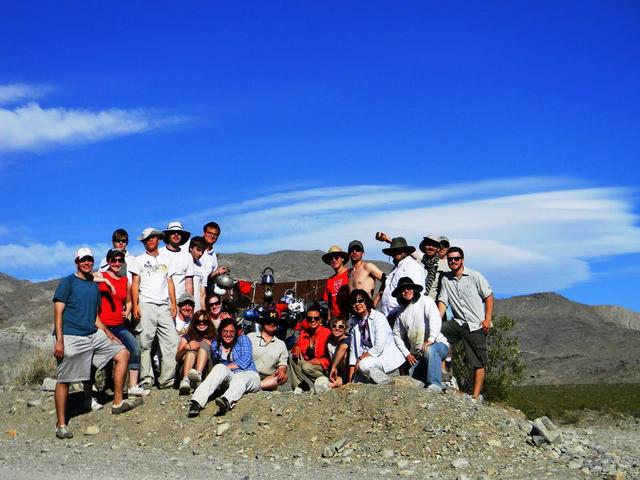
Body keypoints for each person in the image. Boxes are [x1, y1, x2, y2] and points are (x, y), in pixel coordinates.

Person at [53, 248, 142, 439]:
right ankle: (61, 424)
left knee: (123, 353)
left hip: (92, 333)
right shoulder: (67, 282)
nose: (86, 263)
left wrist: (109, 334)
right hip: (71, 335)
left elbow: (95, 317)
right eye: (82, 260)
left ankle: (118, 403)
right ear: (77, 261)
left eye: (89, 260)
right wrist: (59, 340)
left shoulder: (93, 285)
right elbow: (58, 312)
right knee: (64, 379)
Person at [437, 247, 494, 399]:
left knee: (478, 362)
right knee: (437, 334)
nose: (453, 261)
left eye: (456, 258)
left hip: (476, 325)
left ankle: (475, 397)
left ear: (462, 259)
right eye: (450, 259)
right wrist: (435, 321)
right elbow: (443, 301)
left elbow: (488, 296)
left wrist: (487, 319)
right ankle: (444, 376)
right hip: (457, 323)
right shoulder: (445, 279)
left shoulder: (475, 276)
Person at [93, 248, 149, 397]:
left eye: (120, 261)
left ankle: (132, 386)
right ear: (108, 261)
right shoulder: (101, 275)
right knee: (100, 356)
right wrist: (105, 280)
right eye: (114, 260)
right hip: (102, 326)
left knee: (135, 348)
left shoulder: (125, 281)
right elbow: (86, 277)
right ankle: (94, 388)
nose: (117, 263)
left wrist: (128, 309)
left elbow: (129, 301)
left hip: (119, 324)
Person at [130, 227, 178, 389]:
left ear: (158, 239)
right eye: (147, 239)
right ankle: (146, 378)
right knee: (145, 343)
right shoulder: (139, 260)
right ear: (143, 242)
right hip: (146, 303)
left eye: (153, 238)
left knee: (171, 341)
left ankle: (166, 379)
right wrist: (135, 304)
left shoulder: (166, 259)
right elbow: (135, 283)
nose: (150, 240)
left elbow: (169, 282)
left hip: (164, 305)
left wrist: (174, 303)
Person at [187, 318, 260, 417]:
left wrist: (227, 367)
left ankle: (226, 400)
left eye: (231, 332)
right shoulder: (216, 344)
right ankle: (197, 402)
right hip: (231, 378)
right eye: (225, 331)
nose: (228, 334)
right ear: (220, 332)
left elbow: (245, 360)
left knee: (240, 377)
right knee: (219, 367)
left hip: (248, 374)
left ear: (236, 332)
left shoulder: (243, 339)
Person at [391, 277, 449, 391]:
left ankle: (435, 385)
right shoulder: (401, 313)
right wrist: (407, 353)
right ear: (399, 294)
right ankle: (441, 385)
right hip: (420, 355)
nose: (406, 291)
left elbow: (435, 319)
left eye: (409, 288)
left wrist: (431, 339)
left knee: (431, 350)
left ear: (414, 289)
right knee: (413, 374)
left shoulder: (426, 301)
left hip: (439, 345)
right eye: (403, 290)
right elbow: (396, 334)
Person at [348, 289, 405, 384]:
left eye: (360, 300)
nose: (357, 304)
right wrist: (350, 381)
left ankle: (382, 380)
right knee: (356, 381)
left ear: (367, 301)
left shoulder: (379, 317)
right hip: (369, 360)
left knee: (363, 365)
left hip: (385, 360)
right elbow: (353, 351)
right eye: (354, 302)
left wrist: (360, 359)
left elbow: (379, 347)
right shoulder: (355, 322)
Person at [289, 303, 332, 392]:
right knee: (291, 357)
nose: (313, 320)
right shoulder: (304, 333)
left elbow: (332, 357)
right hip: (309, 363)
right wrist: (296, 346)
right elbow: (297, 347)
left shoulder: (327, 333)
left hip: (323, 367)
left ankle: (326, 383)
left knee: (306, 367)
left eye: (316, 318)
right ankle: (300, 387)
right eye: (309, 318)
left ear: (320, 320)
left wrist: (320, 361)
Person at [378, 237, 425, 317]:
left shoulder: (412, 266)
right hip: (390, 315)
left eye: (400, 249)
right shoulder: (394, 269)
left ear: (406, 251)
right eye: (393, 250)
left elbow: (418, 293)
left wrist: (405, 315)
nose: (396, 252)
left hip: (403, 315)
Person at [176, 310, 216, 395]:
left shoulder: (214, 337)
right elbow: (177, 358)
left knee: (204, 346)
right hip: (187, 369)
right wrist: (186, 347)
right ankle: (185, 380)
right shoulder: (187, 336)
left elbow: (218, 357)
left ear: (208, 323)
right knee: (191, 351)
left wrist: (211, 346)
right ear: (194, 322)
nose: (201, 324)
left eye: (204, 321)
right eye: (198, 321)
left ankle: (198, 376)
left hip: (206, 370)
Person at [247, 309, 289, 391]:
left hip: (268, 377)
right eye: (268, 321)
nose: (272, 324)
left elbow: (282, 363)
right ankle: (255, 386)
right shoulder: (250, 337)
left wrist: (281, 370)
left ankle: (256, 387)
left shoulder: (281, 344)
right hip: (250, 374)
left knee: (284, 377)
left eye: (275, 322)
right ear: (263, 323)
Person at [160, 222, 194, 298]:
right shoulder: (159, 253)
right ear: (168, 235)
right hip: (162, 301)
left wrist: (190, 301)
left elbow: (189, 283)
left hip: (180, 301)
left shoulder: (187, 256)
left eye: (179, 233)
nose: (176, 234)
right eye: (173, 232)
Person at [321, 245, 350, 319]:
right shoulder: (330, 280)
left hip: (350, 317)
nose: (334, 260)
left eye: (336, 257)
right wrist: (329, 317)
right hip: (335, 320)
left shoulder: (350, 274)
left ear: (342, 259)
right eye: (331, 258)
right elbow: (329, 302)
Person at [200, 221, 229, 288]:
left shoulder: (213, 257)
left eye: (215, 234)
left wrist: (217, 272)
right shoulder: (194, 247)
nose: (212, 236)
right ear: (204, 233)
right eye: (209, 233)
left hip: (203, 289)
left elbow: (209, 280)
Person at [327, 317, 351, 389]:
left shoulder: (349, 339)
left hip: (351, 373)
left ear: (345, 328)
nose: (337, 329)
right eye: (334, 326)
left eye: (341, 326)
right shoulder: (330, 344)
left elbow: (343, 347)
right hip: (341, 374)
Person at [188, 235, 208, 310]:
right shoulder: (181, 264)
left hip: (196, 309)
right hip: (181, 309)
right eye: (198, 250)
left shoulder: (202, 269)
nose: (200, 254)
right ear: (190, 248)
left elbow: (203, 294)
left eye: (202, 251)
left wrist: (203, 311)